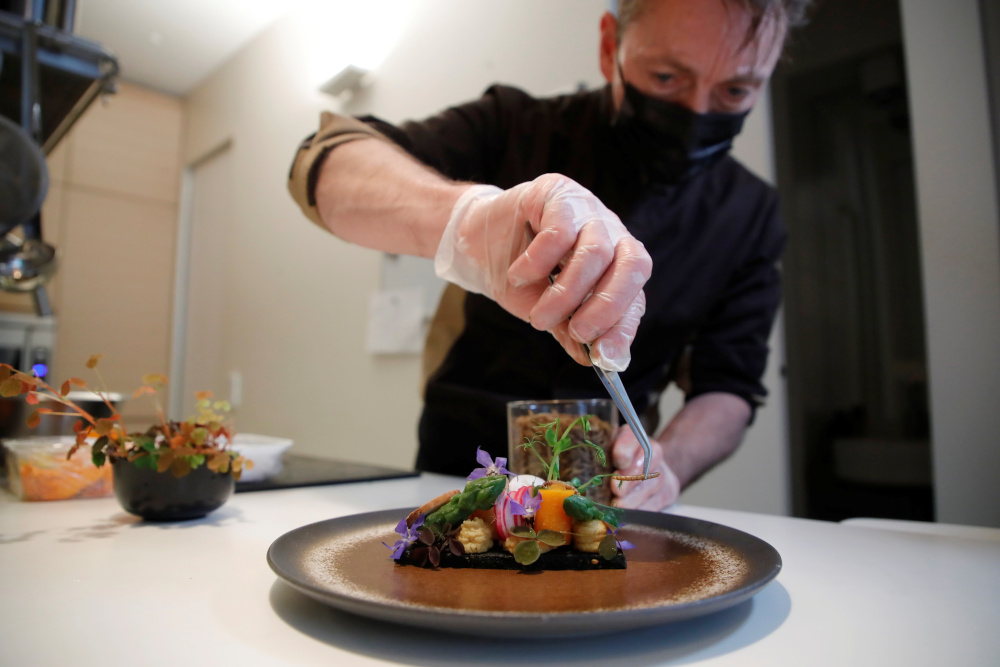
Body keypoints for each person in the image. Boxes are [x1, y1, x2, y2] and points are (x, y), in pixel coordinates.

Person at [288, 0, 811, 510]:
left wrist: (671, 458)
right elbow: (326, 161)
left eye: (735, 89)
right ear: (611, 48)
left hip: (606, 492)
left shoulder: (752, 214)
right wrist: (467, 220)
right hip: (460, 464)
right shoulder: (515, 125)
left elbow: (729, 386)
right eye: (667, 78)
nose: (697, 113)